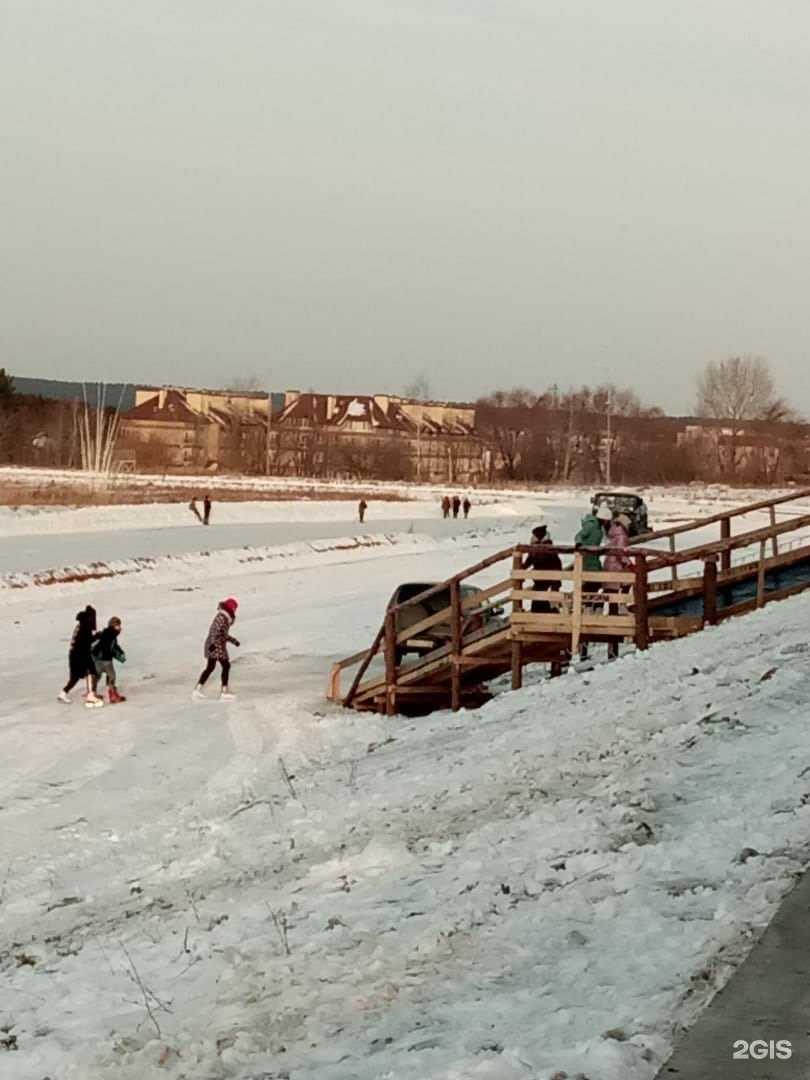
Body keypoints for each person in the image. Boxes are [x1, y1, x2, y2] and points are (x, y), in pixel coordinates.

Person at [193, 598, 240, 700]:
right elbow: (215, 632)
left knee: (211, 667)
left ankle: (197, 689)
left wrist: (234, 641)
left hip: (214, 645)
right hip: (215, 645)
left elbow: (223, 634)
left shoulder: (223, 618)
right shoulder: (222, 618)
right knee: (225, 665)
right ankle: (224, 692)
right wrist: (213, 645)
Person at [58, 605, 103, 706]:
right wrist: (97, 636)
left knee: (78, 676)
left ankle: (64, 693)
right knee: (91, 672)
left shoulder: (82, 625)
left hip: (76, 654)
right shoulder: (85, 627)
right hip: (80, 655)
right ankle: (90, 695)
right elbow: (86, 642)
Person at [604, 512, 632, 660]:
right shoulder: (622, 537)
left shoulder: (613, 534)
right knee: (627, 582)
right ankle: (622, 606)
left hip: (609, 567)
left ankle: (614, 612)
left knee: (611, 597)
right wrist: (629, 562)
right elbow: (621, 553)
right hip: (616, 569)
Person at [522, 525, 562, 613]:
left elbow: (556, 565)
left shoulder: (547, 548)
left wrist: (556, 584)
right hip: (540, 581)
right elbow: (528, 561)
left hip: (547, 582)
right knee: (539, 604)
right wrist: (521, 569)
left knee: (542, 604)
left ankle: (549, 618)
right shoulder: (537, 548)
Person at [91, 616, 127, 703]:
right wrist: (118, 655)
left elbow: (113, 646)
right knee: (112, 676)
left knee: (97, 676)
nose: (120, 627)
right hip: (105, 660)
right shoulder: (110, 634)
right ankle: (112, 696)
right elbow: (109, 647)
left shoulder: (107, 633)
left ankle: (92, 694)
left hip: (97, 659)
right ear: (113, 625)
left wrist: (120, 652)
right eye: (118, 625)